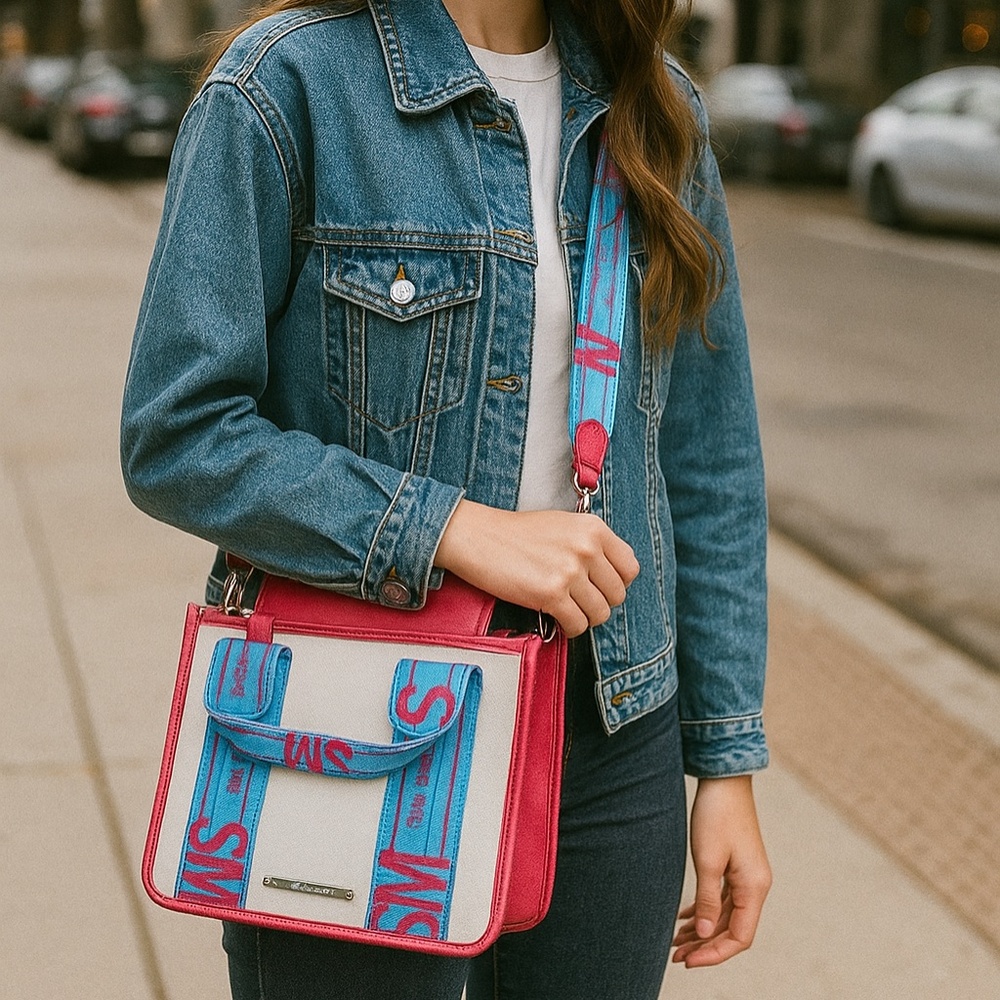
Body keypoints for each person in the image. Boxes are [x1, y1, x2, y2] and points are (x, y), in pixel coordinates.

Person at [120, 0, 772, 997]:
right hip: (354, 711)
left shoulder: (653, 105)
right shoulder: (285, 85)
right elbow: (177, 433)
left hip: (606, 727)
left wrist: (723, 761)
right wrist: (450, 527)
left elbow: (705, 459)